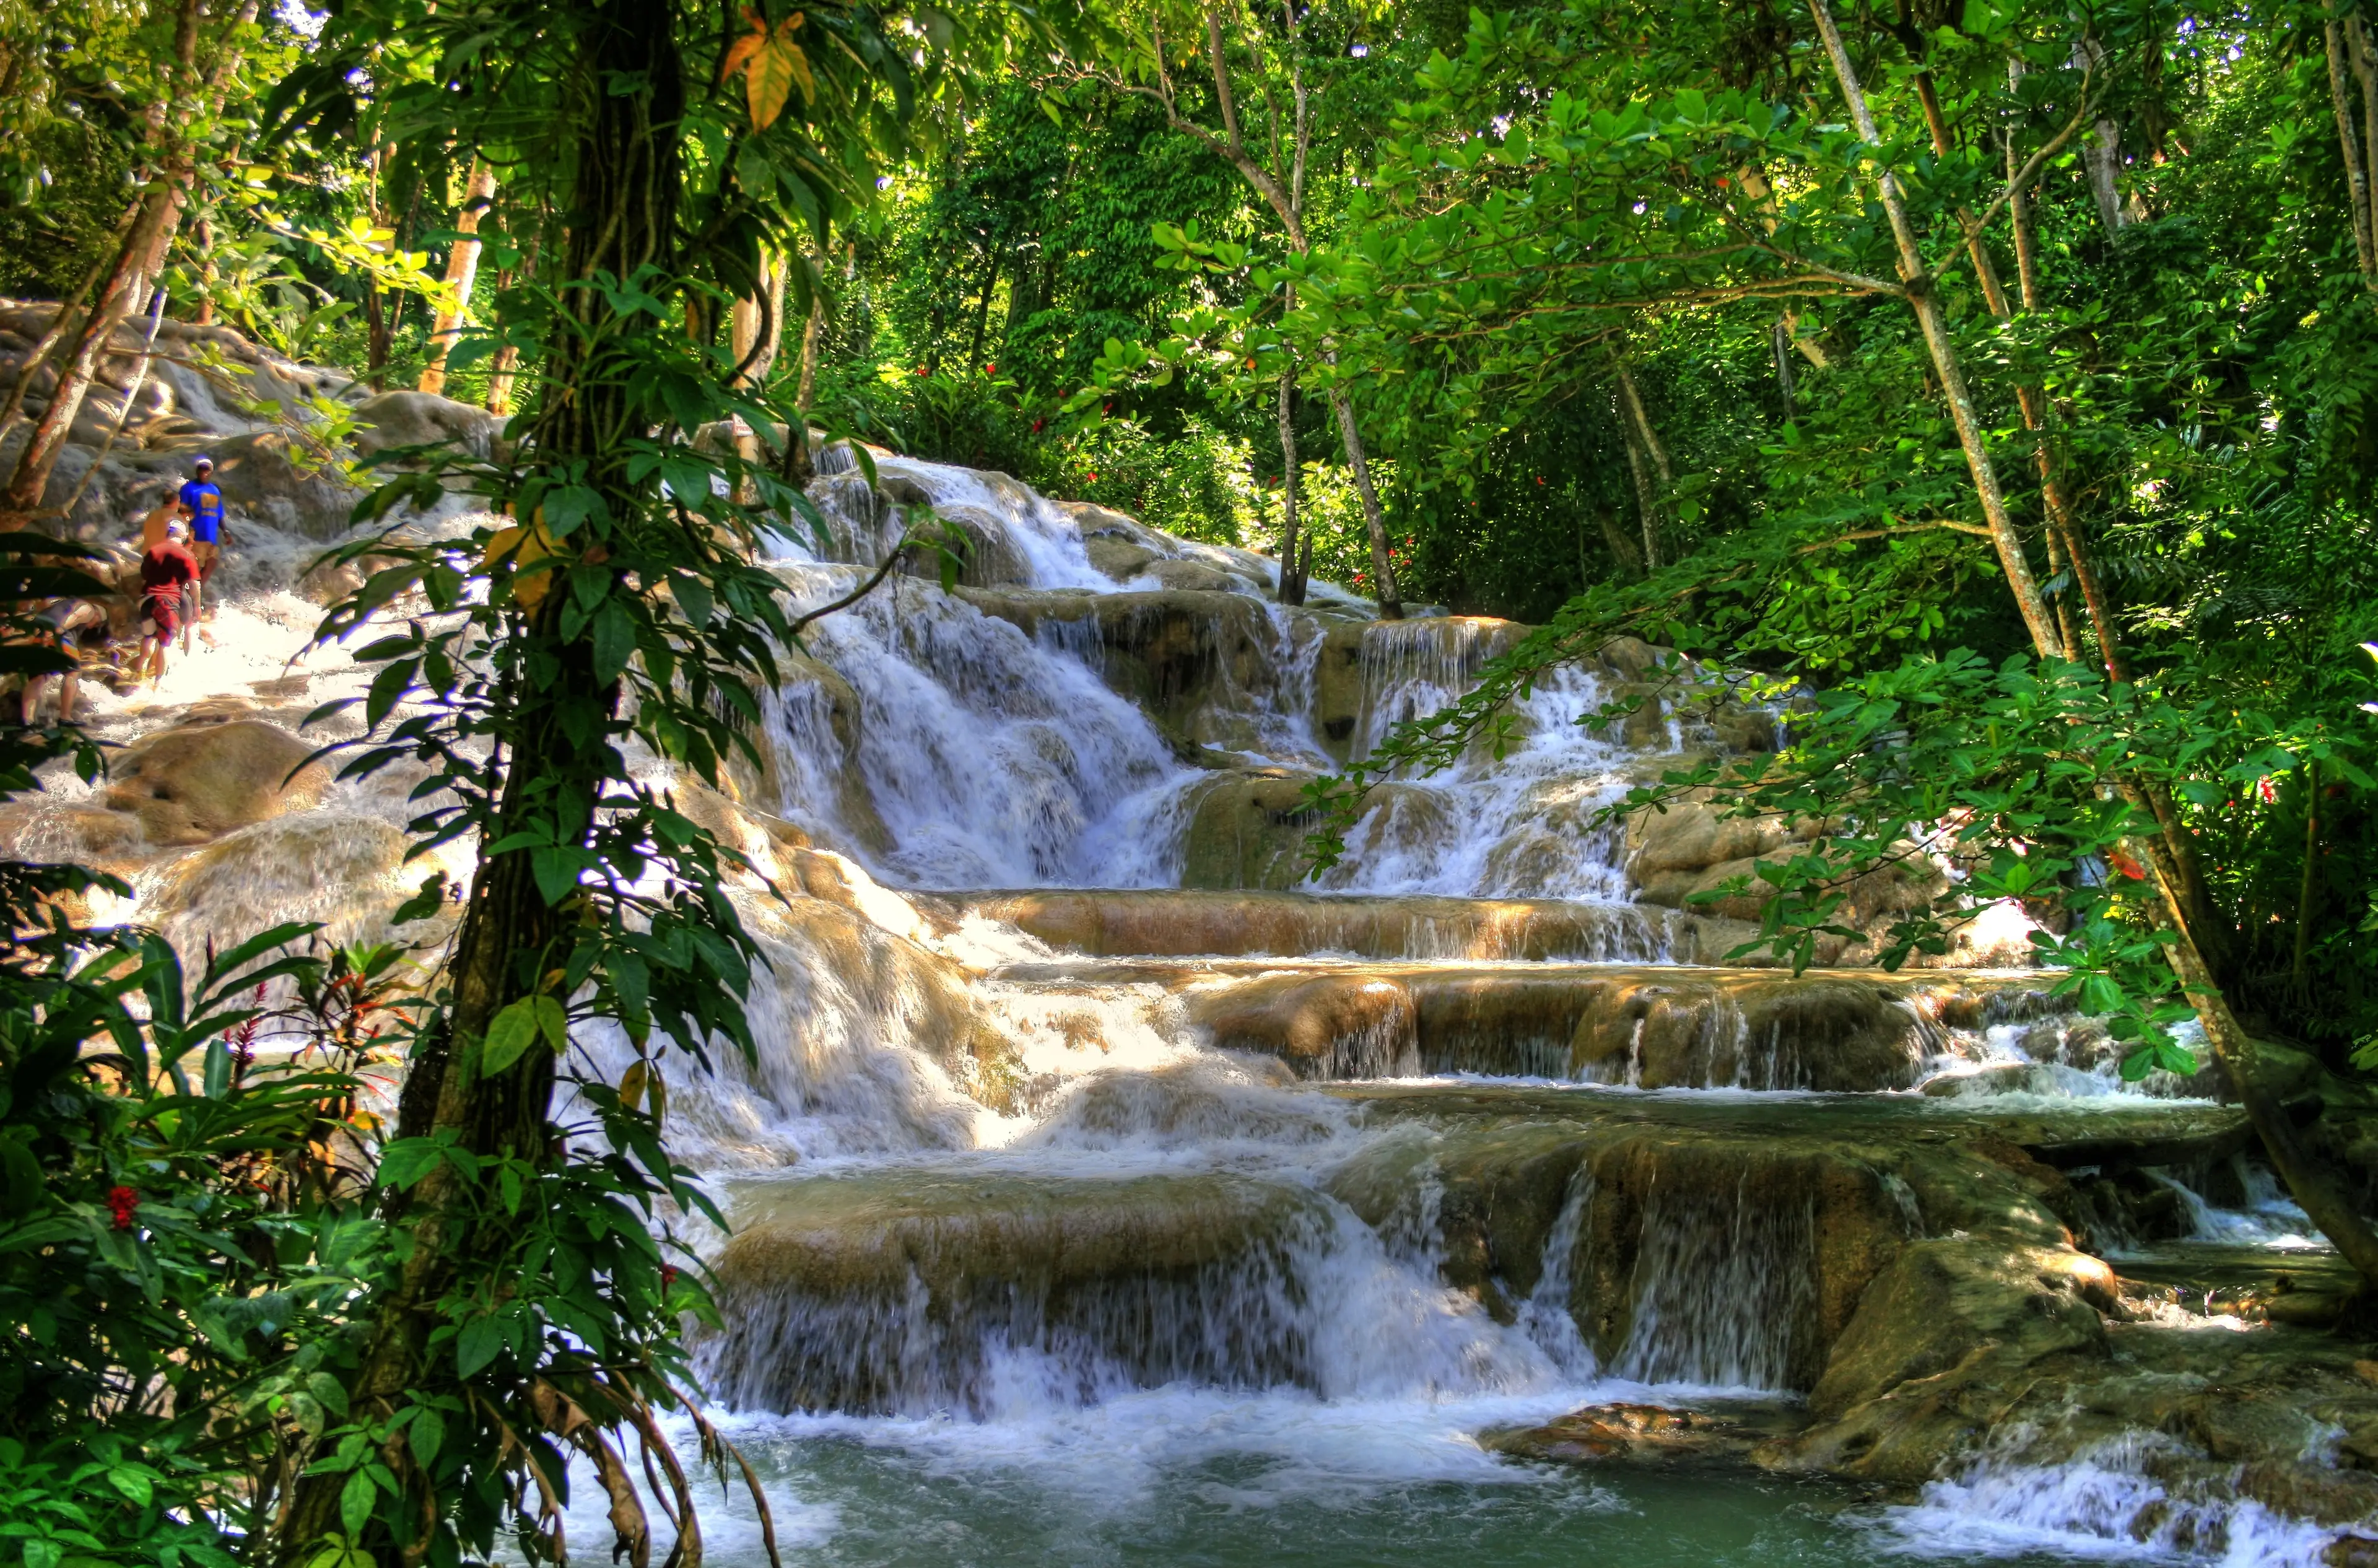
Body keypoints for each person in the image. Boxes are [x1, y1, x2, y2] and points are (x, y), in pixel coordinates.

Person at [15, 595, 110, 726]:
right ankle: (65, 717)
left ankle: (27, 720)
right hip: (59, 637)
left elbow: (41, 613)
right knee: (73, 673)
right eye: (97, 624)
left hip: (38, 637)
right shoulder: (89, 608)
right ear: (98, 615)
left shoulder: (59, 604)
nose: (91, 627)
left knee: (38, 678)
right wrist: (58, 628)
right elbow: (76, 615)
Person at [139, 518, 199, 684]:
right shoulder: (186, 554)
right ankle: (159, 684)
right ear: (183, 537)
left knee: (148, 638)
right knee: (174, 637)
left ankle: (140, 673)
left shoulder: (153, 550)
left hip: (147, 600)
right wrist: (197, 607)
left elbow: (144, 574)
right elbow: (193, 585)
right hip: (171, 600)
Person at [176, 456, 224, 649]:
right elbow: (181, 512)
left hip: (211, 537)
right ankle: (188, 606)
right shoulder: (188, 489)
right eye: (201, 469)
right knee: (192, 571)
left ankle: (195, 597)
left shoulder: (215, 490)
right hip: (196, 536)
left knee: (212, 563)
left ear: (211, 472)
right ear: (197, 471)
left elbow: (219, 514)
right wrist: (186, 534)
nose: (204, 472)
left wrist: (226, 531)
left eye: (207, 470)